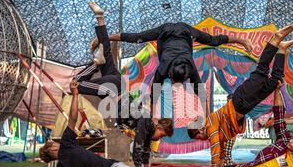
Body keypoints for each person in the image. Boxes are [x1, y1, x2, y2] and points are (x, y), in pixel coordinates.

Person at [187, 25, 293, 167]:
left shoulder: (209, 125)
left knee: (262, 71)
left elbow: (214, 144)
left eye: (198, 138)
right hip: (246, 105)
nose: (202, 140)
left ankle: (275, 39)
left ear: (200, 130)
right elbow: (219, 146)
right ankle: (282, 49)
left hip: (240, 101)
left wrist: (214, 166)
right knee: (276, 81)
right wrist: (220, 161)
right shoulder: (216, 130)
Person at [93, 22, 253, 108]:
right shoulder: (169, 67)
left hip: (181, 30)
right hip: (175, 30)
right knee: (138, 37)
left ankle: (105, 37)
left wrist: (206, 118)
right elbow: (200, 93)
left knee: (138, 37)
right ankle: (106, 37)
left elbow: (200, 93)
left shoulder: (185, 67)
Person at [72, 2, 121, 100]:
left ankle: (100, 17)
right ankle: (96, 62)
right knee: (75, 84)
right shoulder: (130, 110)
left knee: (75, 84)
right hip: (113, 84)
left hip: (117, 81)